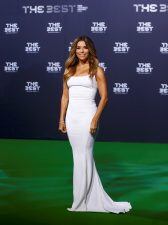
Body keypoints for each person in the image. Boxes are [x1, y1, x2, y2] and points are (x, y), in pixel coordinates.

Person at [58, 35, 132, 213]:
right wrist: (61, 118)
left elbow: (104, 97)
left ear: (90, 49)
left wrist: (94, 119)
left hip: (88, 116)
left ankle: (82, 201)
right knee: (79, 156)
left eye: (84, 47)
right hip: (72, 117)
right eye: (78, 48)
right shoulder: (69, 69)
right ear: (74, 50)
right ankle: (85, 198)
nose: (81, 51)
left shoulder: (96, 70)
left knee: (85, 154)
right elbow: (65, 96)